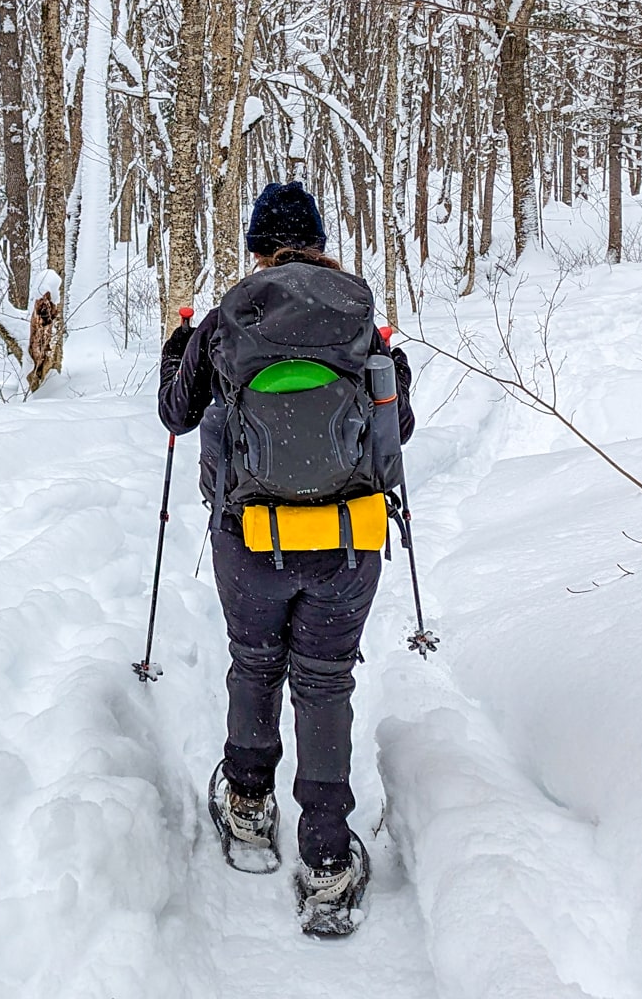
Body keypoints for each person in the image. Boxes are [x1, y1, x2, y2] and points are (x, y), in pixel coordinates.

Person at [158, 181, 414, 923]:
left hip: (251, 537)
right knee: (325, 682)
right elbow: (398, 425)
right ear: (320, 239)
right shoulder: (356, 313)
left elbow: (176, 413)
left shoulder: (229, 316)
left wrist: (181, 349)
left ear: (258, 246)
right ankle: (328, 860)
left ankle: (246, 802)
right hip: (346, 537)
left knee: (256, 663)